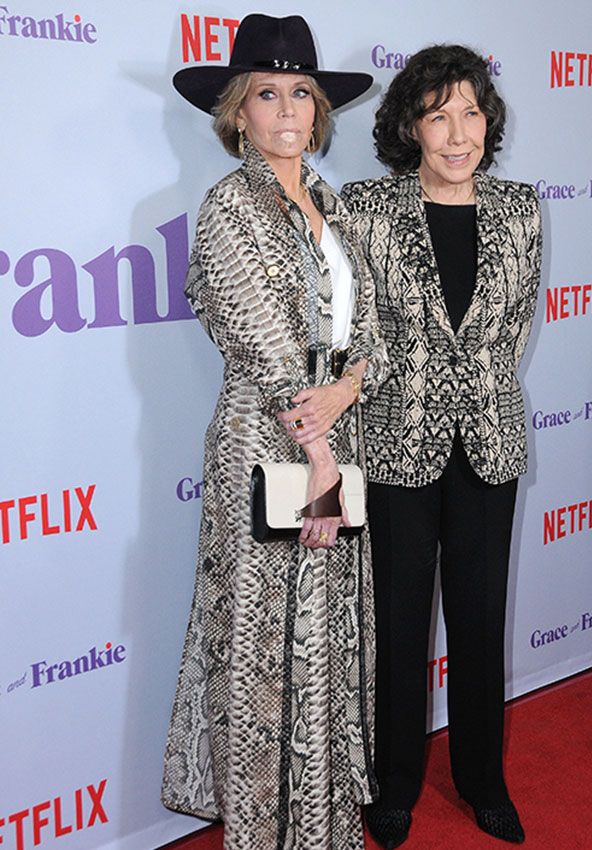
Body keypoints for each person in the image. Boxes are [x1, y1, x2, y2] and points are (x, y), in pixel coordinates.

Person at [161, 14, 388, 850]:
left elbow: (367, 328)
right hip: (271, 446)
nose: (287, 108)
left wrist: (351, 387)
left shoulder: (328, 201)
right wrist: (322, 450)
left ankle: (321, 826)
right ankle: (265, 832)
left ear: (319, 108)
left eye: (301, 92)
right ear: (238, 111)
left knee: (324, 632)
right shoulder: (229, 205)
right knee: (263, 641)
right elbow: (260, 337)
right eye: (268, 93)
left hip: (333, 436)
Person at [342, 44, 542, 847]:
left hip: (488, 439)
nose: (458, 133)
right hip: (398, 438)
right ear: (409, 127)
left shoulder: (521, 207)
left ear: (488, 121)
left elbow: (514, 326)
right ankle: (394, 786)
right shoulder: (367, 208)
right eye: (437, 115)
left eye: (471, 112)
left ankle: (483, 779)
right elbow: (355, 328)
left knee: (480, 618)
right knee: (396, 622)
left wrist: (472, 388)